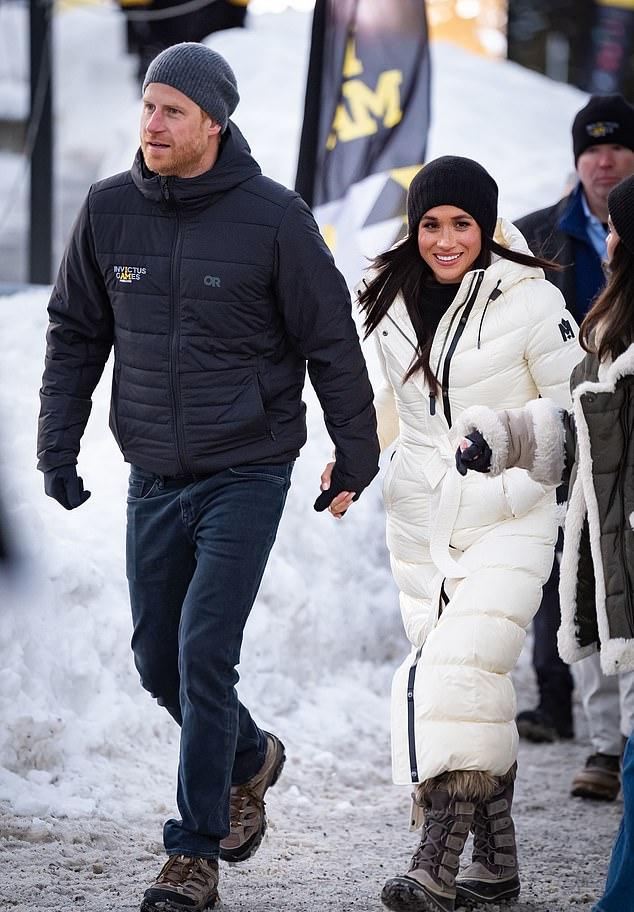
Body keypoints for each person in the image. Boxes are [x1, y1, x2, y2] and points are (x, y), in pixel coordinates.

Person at [37, 42, 379, 912]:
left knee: (201, 652)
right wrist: (58, 446)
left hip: (247, 468)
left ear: (215, 124)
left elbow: (330, 340)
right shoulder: (108, 209)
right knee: (158, 661)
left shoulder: (274, 219)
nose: (151, 124)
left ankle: (193, 853)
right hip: (153, 471)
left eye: (172, 111)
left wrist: (357, 450)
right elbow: (75, 334)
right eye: (148, 106)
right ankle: (250, 757)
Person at [321, 156, 583, 911]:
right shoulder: (390, 298)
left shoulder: (532, 302)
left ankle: (433, 864)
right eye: (430, 224)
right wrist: (353, 464)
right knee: (470, 690)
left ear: (488, 226)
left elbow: (580, 413)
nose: (444, 239)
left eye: (462, 224)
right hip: (421, 524)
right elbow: (394, 404)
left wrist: (507, 437)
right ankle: (496, 866)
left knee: (452, 678)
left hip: (510, 514)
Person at [455, 172, 634, 912]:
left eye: (617, 229)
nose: (607, 238)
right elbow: (584, 433)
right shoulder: (610, 335)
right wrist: (503, 439)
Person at [515, 93, 634, 800]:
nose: (603, 159)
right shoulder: (540, 235)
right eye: (591, 148)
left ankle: (615, 741)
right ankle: (584, 727)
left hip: (628, 436)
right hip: (568, 429)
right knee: (571, 575)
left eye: (617, 145)